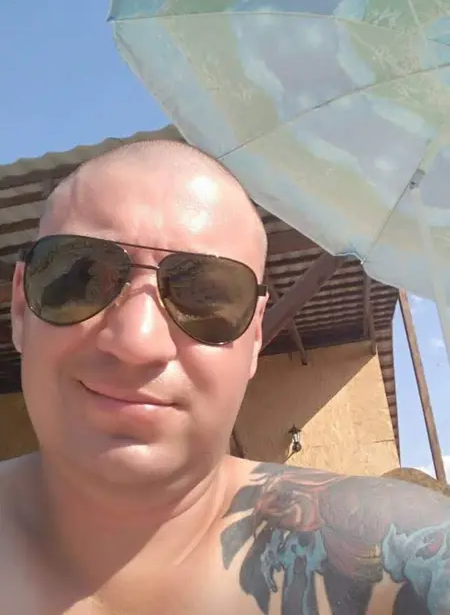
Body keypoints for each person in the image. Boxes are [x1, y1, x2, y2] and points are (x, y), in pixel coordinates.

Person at [1, 139, 449, 615]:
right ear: (21, 310)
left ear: (254, 338)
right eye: (78, 277)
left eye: (207, 297)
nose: (137, 342)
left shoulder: (402, 558)